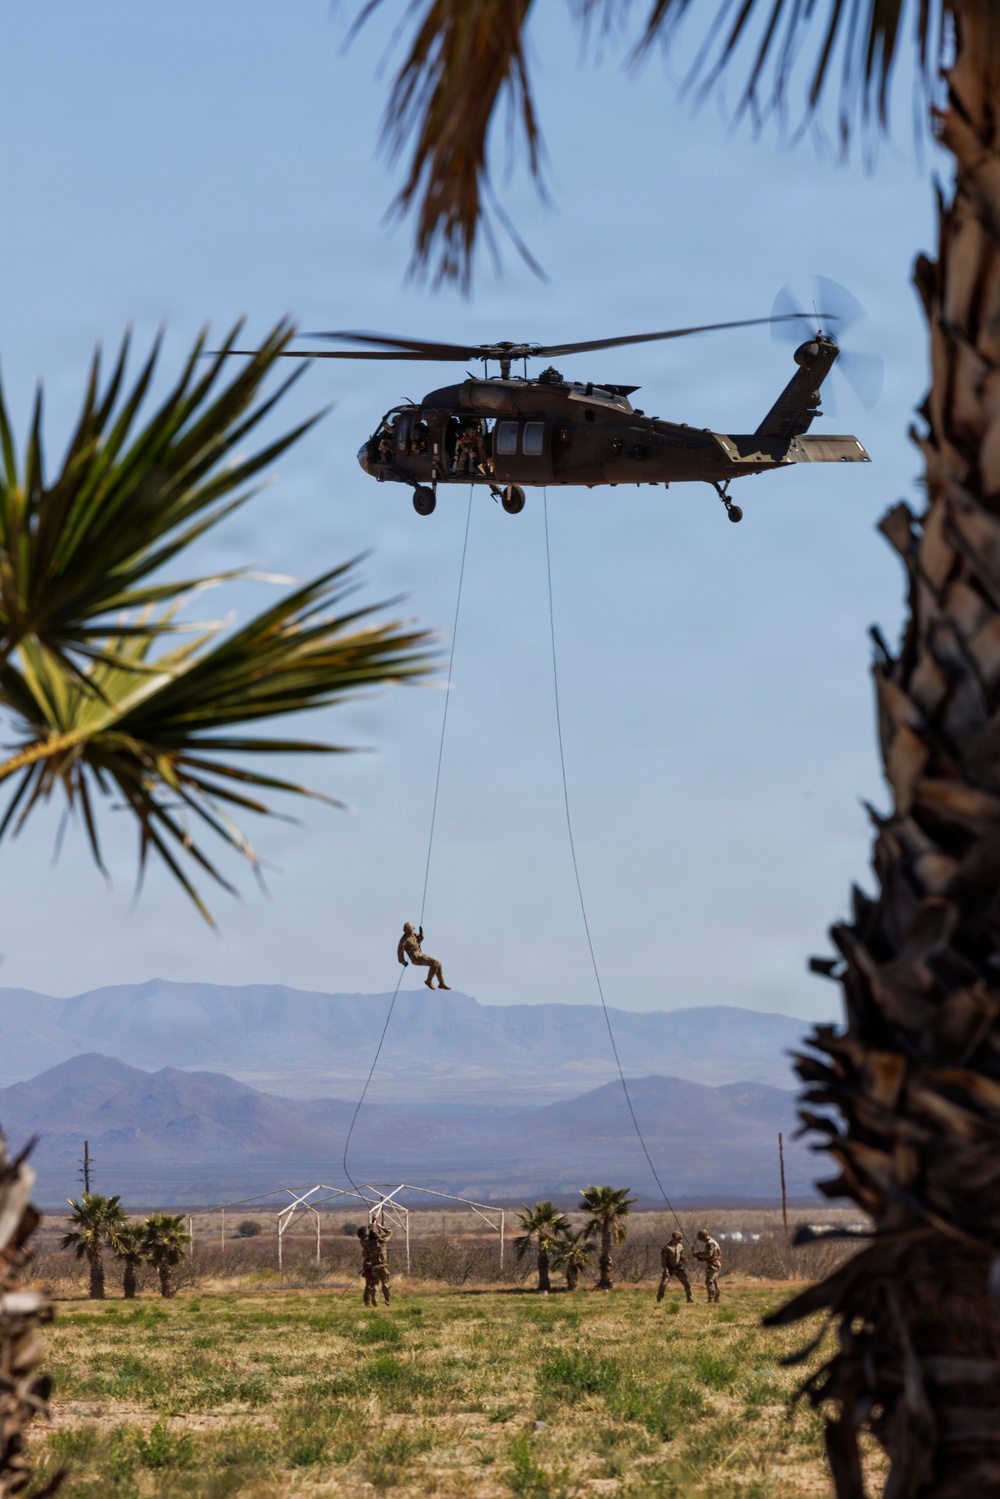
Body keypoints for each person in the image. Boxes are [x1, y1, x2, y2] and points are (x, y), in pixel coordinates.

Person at [397, 922, 450, 990]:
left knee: (438, 964)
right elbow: (400, 952)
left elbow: (419, 940)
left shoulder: (413, 934)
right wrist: (403, 962)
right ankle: (428, 981)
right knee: (434, 963)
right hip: (415, 958)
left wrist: (421, 934)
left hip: (420, 954)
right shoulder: (403, 941)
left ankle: (441, 983)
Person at [357, 1221, 392, 1306]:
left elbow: (365, 1235)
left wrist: (373, 1222)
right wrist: (381, 1228)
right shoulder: (382, 1242)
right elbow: (390, 1233)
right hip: (383, 1266)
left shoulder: (366, 1244)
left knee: (374, 1285)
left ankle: (374, 1301)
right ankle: (387, 1301)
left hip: (373, 1267)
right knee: (385, 1284)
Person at [656, 1229, 693, 1304]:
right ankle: (659, 1299)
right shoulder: (667, 1248)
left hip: (677, 1268)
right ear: (675, 1238)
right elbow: (663, 1260)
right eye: (679, 1239)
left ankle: (689, 1298)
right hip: (669, 1268)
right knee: (663, 1283)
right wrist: (665, 1269)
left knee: (686, 1282)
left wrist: (683, 1259)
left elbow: (680, 1256)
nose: (681, 1240)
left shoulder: (680, 1247)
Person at [693, 1228, 722, 1302]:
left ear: (705, 1236)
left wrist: (699, 1253)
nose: (702, 1240)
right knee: (715, 1281)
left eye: (702, 1239)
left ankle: (711, 1298)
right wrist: (701, 1258)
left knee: (709, 1281)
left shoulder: (710, 1243)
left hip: (712, 1265)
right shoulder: (713, 1241)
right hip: (716, 1263)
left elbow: (709, 1254)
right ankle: (717, 1298)